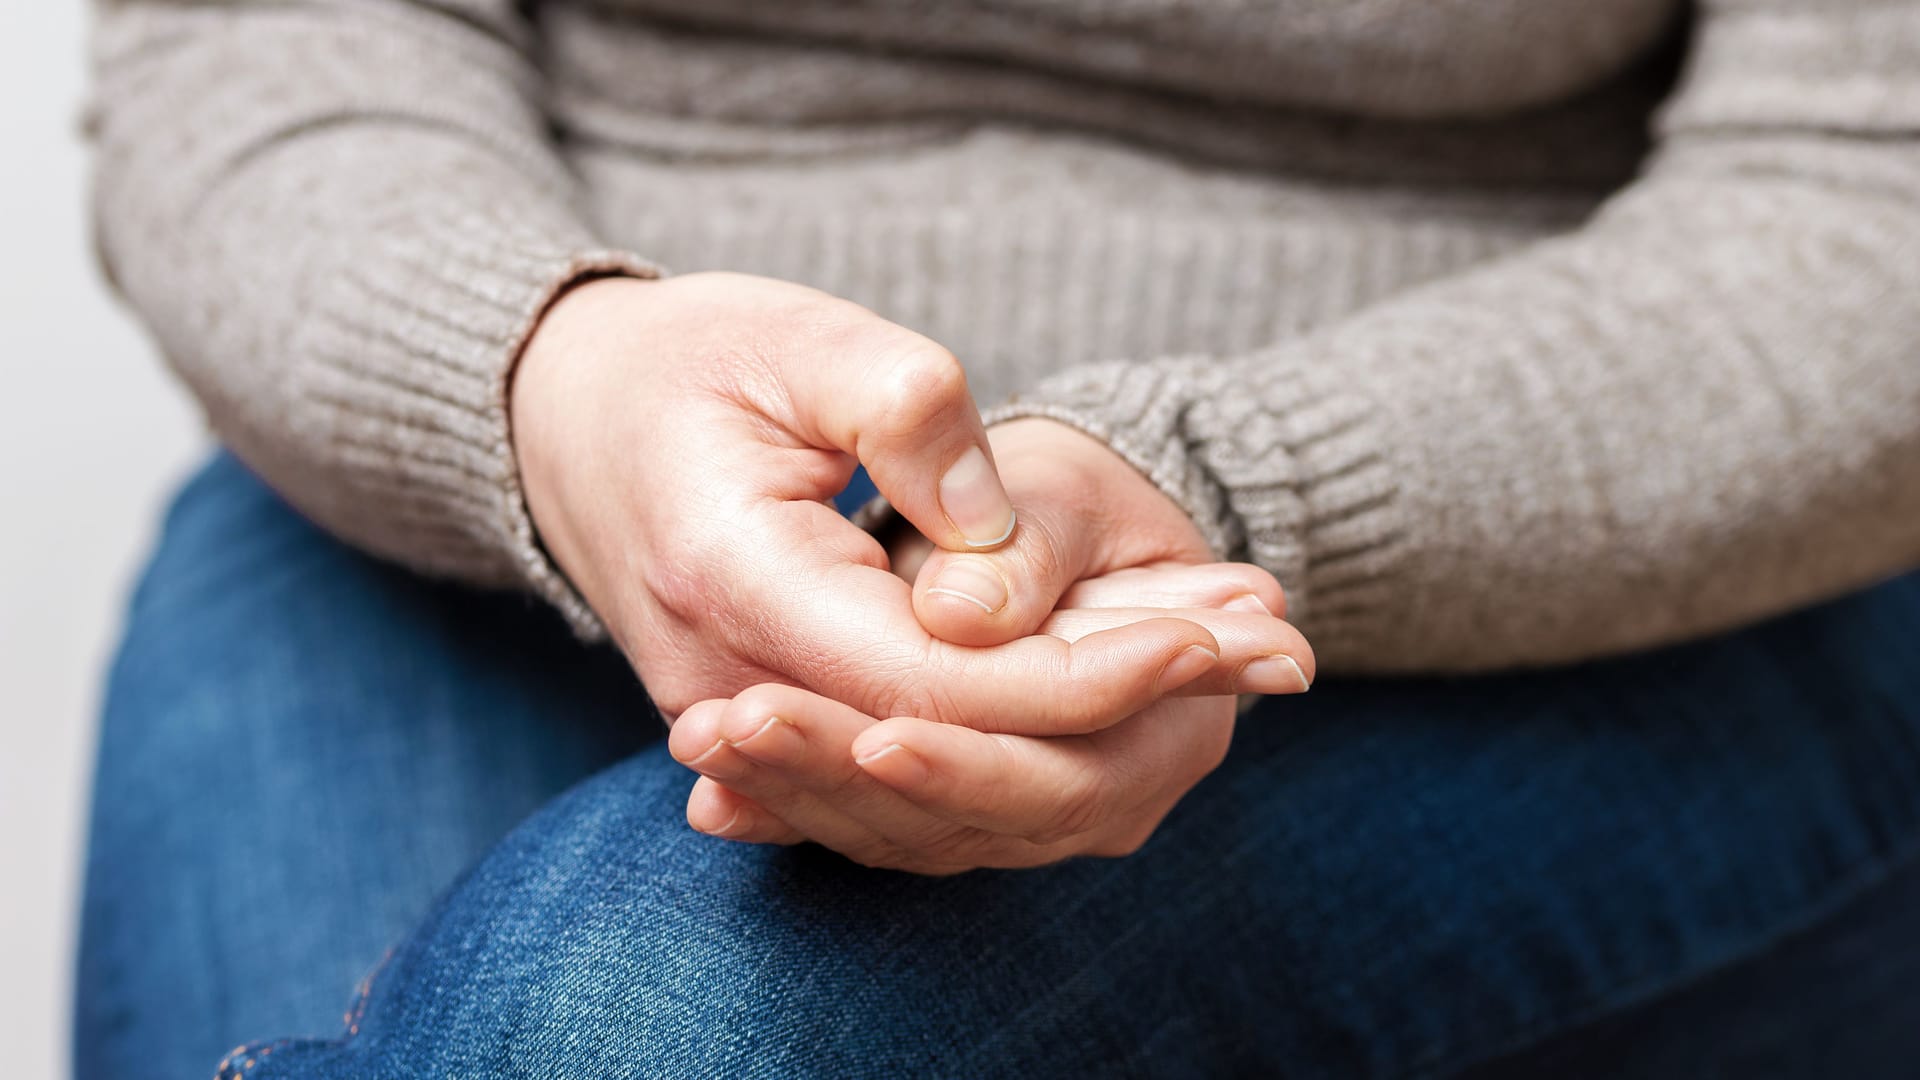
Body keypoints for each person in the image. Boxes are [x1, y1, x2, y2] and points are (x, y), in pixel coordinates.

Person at [74, 0, 1920, 1076]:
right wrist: (552, 380)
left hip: (1543, 521)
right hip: (485, 462)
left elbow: (1869, 199)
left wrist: (1215, 485)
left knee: (637, 1028)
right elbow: (269, 45)